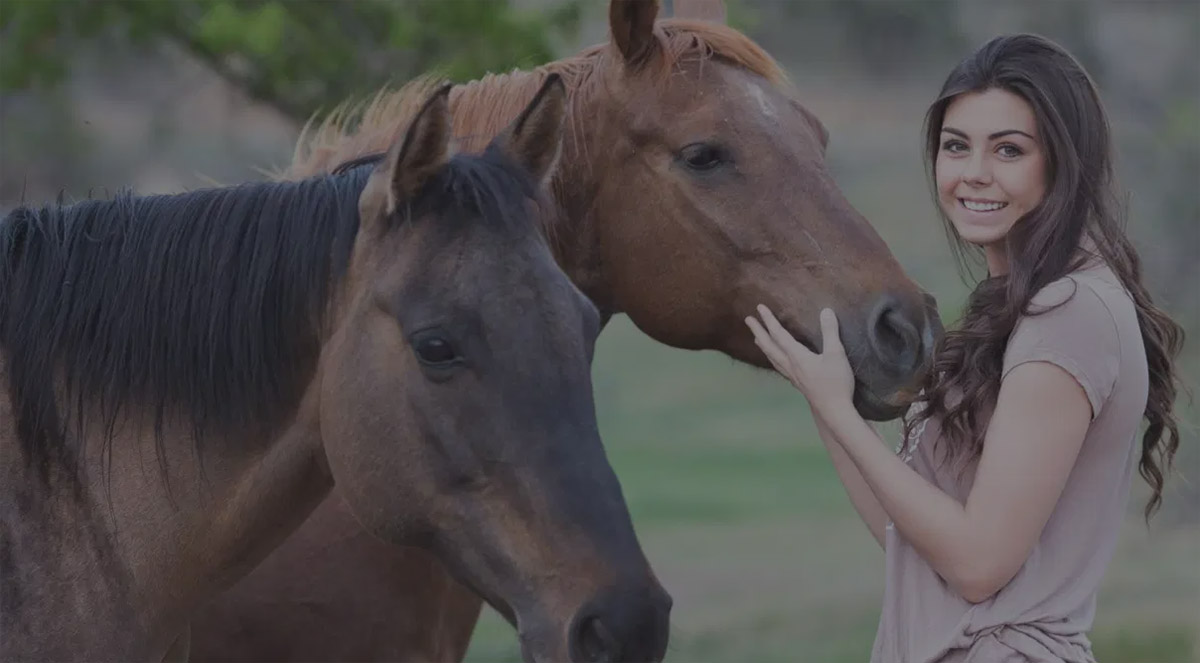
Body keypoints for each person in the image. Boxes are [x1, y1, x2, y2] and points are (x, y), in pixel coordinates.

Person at [746, 33, 1184, 663]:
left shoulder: (1070, 312)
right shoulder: (1022, 306)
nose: (973, 173)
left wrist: (841, 412)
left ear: (1063, 162)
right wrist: (825, 399)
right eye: (956, 147)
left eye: (1009, 150)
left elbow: (979, 565)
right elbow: (911, 543)